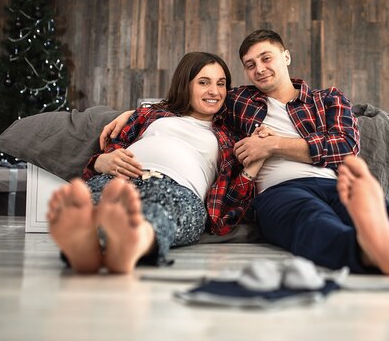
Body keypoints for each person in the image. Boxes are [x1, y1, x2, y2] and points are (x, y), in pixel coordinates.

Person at [102, 30, 389, 276]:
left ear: (285, 56)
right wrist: (132, 114)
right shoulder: (238, 100)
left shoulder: (329, 99)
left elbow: (346, 146)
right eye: (249, 64)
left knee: (387, 213)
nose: (259, 69)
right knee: (311, 221)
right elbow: (188, 102)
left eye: (266, 58)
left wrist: (273, 143)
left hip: (332, 180)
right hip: (278, 191)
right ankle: (367, 251)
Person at [48, 52, 261, 274]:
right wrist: (101, 161)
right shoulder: (152, 115)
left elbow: (232, 201)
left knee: (160, 214)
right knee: (98, 197)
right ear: (185, 85)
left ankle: (127, 243)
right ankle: (92, 238)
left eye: (221, 83)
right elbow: (115, 146)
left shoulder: (230, 135)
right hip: (121, 177)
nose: (214, 91)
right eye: (203, 82)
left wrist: (256, 163)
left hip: (178, 188)